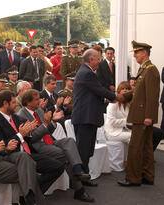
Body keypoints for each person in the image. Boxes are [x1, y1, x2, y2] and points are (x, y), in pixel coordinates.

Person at [17, 89, 95, 202]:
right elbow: (31, 138)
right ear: (28, 102)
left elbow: (48, 130)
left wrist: (52, 122)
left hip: (49, 141)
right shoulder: (21, 115)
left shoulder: (38, 111)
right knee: (66, 155)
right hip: (37, 147)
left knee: (69, 141)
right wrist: (45, 124)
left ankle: (78, 171)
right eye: (36, 99)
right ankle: (79, 188)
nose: (40, 101)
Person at [0, 91, 65, 195]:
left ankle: (35, 190)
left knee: (58, 167)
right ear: (5, 104)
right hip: (14, 156)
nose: (16, 105)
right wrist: (21, 134)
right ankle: (32, 195)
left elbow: (29, 139)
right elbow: (2, 144)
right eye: (13, 103)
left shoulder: (15, 117)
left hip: (29, 153)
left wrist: (28, 133)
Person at [71, 49, 121, 186]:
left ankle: (85, 178)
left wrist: (106, 100)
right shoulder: (86, 73)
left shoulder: (86, 72)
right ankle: (78, 185)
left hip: (88, 117)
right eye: (98, 58)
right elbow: (99, 89)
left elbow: (92, 94)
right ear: (91, 59)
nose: (100, 61)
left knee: (87, 151)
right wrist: (116, 97)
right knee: (83, 151)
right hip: (84, 118)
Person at [118, 40, 160, 187]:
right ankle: (148, 176)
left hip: (142, 116)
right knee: (146, 147)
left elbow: (152, 96)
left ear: (144, 53)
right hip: (141, 115)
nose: (134, 55)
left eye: (136, 52)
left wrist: (149, 116)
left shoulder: (150, 70)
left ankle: (133, 178)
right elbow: (137, 92)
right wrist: (121, 96)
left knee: (135, 147)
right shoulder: (144, 69)